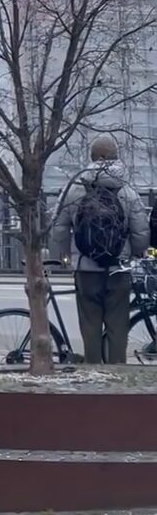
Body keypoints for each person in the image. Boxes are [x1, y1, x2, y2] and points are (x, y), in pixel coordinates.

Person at [51, 134, 149, 363]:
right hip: (119, 268)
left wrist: (63, 257)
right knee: (118, 325)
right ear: (116, 157)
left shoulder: (74, 190)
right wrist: (135, 253)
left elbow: (59, 227)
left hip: (86, 269)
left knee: (90, 323)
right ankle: (117, 371)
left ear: (92, 157)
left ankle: (93, 369)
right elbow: (140, 230)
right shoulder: (126, 191)